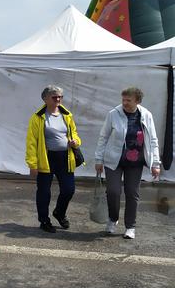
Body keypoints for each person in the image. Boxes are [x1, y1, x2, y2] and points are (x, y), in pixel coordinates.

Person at [94, 87, 161, 239]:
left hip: (135, 161)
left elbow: (153, 140)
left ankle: (130, 227)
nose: (124, 103)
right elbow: (103, 137)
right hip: (113, 160)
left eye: (128, 100)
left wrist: (155, 163)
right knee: (113, 191)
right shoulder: (113, 114)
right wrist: (99, 159)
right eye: (123, 100)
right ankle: (112, 219)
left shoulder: (146, 115)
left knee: (132, 193)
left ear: (137, 101)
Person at [25, 85, 81, 233]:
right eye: (54, 97)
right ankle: (44, 220)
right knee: (44, 192)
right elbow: (31, 142)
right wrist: (32, 164)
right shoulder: (37, 117)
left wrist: (75, 141)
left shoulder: (67, 115)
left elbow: (74, 133)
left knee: (69, 190)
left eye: (60, 97)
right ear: (45, 98)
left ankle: (59, 213)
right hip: (46, 158)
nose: (58, 99)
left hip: (65, 158)